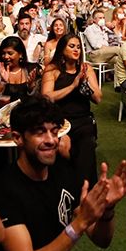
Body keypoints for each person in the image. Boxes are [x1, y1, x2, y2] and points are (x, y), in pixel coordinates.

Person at [0, 97, 126, 251]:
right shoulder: (3, 190)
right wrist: (79, 223)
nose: (51, 140)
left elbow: (101, 240)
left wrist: (107, 211)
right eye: (39, 132)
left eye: (54, 131)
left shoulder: (62, 173)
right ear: (18, 138)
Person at [41, 33, 102, 187]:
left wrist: (84, 85)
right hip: (60, 122)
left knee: (86, 146)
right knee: (63, 147)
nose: (76, 50)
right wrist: (73, 86)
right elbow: (46, 97)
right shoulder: (52, 69)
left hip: (83, 120)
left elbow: (98, 98)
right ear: (62, 49)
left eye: (78, 47)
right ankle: (70, 187)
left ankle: (85, 191)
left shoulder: (85, 69)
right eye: (72, 46)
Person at [0, 36, 39, 105]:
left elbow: (39, 100)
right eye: (3, 53)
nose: (6, 57)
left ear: (20, 54)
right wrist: (1, 83)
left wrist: (31, 86)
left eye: (10, 53)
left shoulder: (31, 69)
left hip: (27, 112)